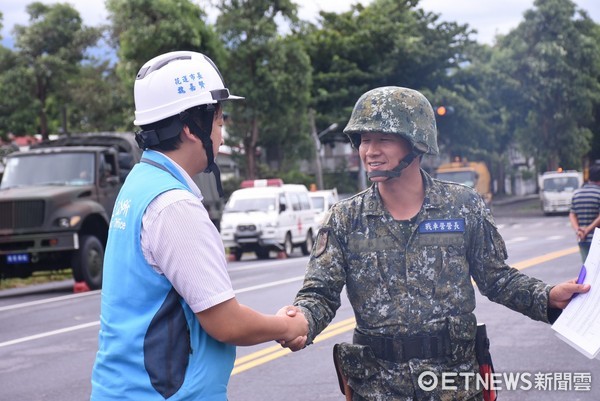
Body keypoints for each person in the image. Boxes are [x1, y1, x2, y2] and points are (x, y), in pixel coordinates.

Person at [281, 86, 590, 400]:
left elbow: (497, 278)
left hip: (453, 385)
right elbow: (319, 294)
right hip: (376, 388)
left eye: (383, 139)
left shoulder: (463, 206)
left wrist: (548, 295)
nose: (369, 150)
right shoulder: (344, 219)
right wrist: (301, 321)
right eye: (364, 139)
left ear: (416, 142)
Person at [90, 51, 307, 401]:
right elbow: (225, 323)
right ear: (192, 128)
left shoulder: (140, 183)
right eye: (219, 122)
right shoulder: (174, 206)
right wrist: (287, 325)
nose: (222, 133)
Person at [569, 164, 600, 262]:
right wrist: (588, 229)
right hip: (597, 239)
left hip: (582, 238)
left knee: (586, 267)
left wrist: (578, 230)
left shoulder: (577, 193)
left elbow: (572, 214)